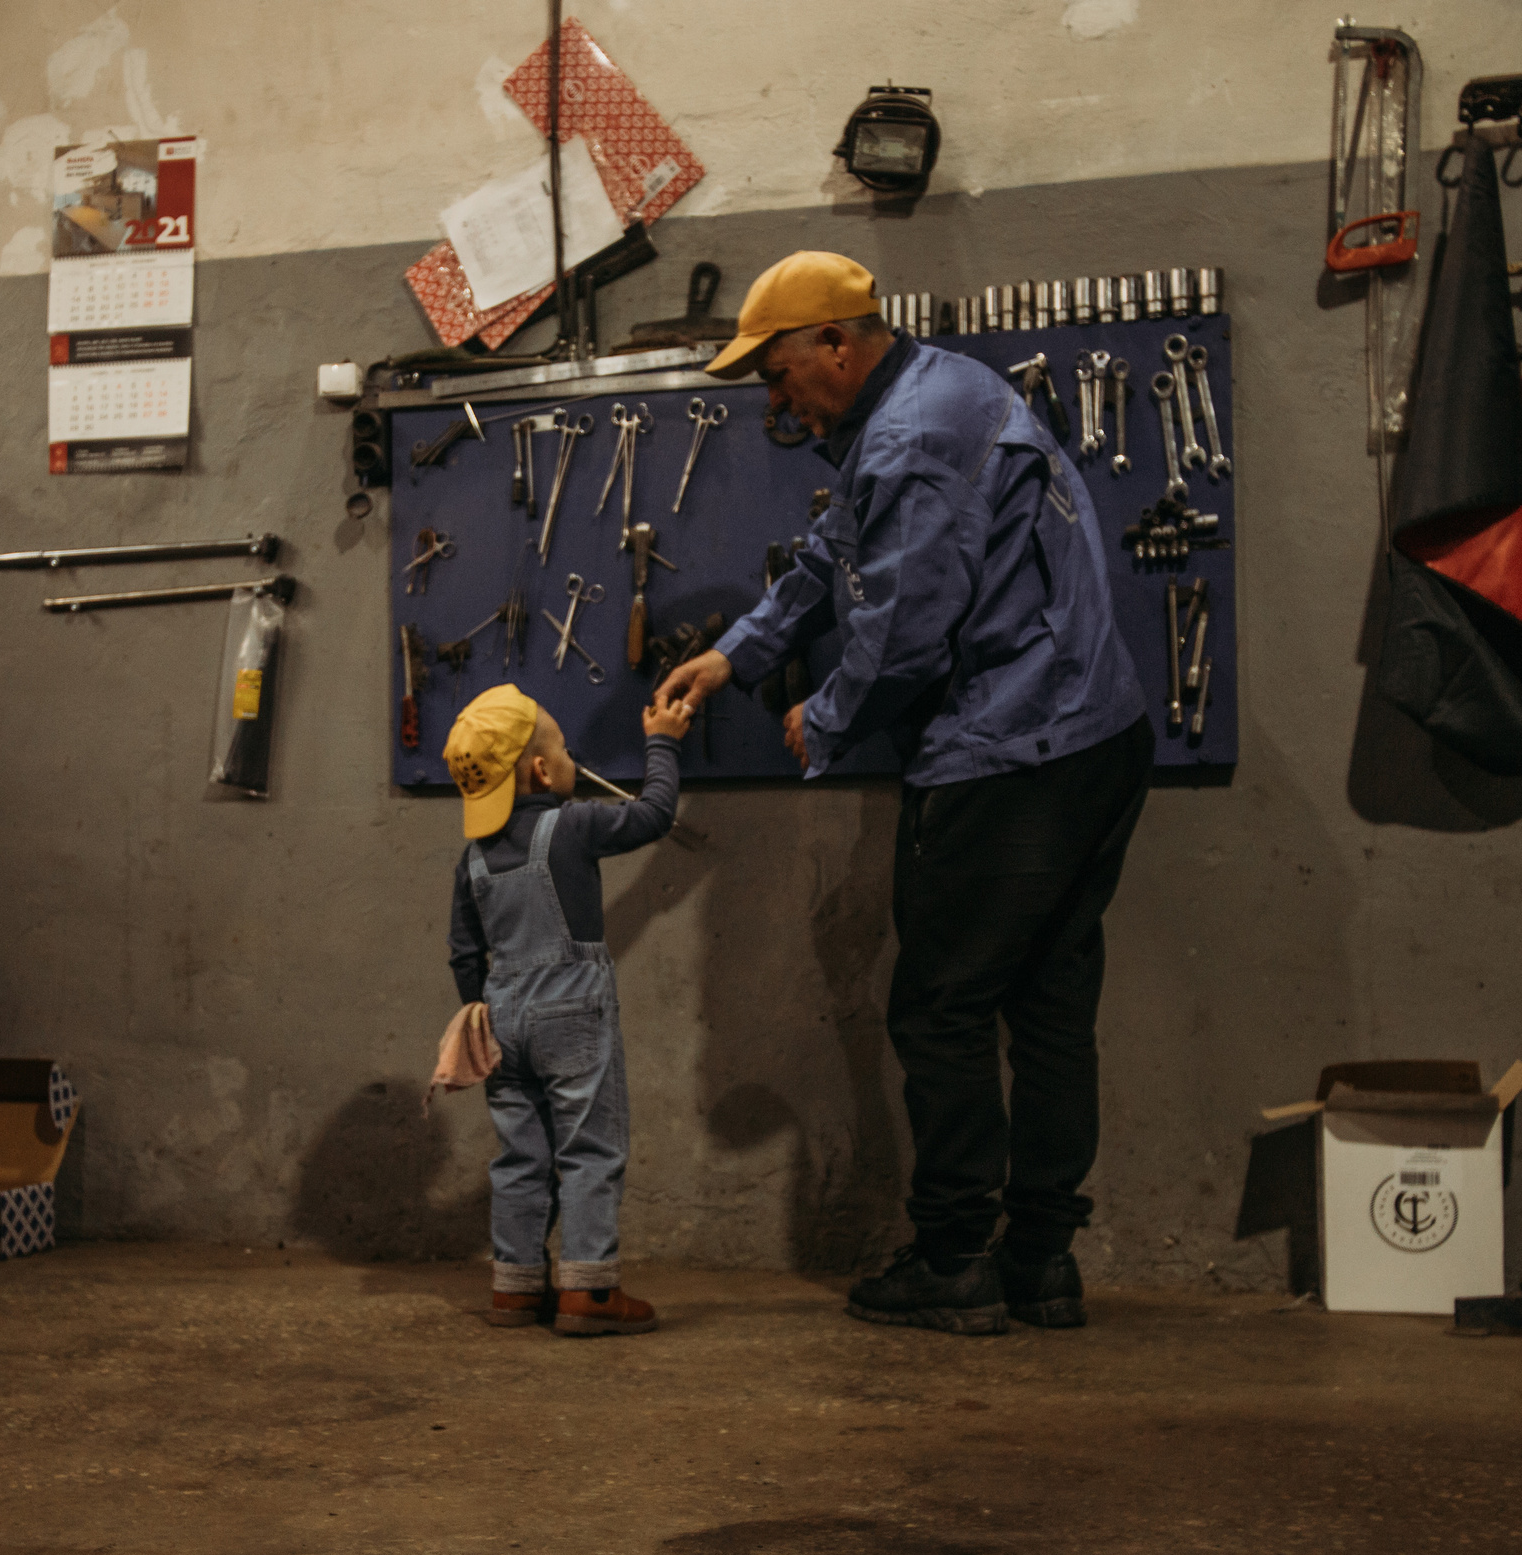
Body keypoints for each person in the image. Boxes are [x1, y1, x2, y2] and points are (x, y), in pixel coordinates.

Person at [656, 251, 1153, 1337]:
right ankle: (1039, 1265)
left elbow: (904, 633)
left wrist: (825, 715)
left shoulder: (911, 442)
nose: (775, 402)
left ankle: (951, 1261)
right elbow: (841, 549)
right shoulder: (946, 387)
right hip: (1095, 739)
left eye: (781, 376)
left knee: (941, 1012)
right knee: (1052, 1009)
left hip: (1012, 754)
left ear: (837, 343)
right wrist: (738, 655)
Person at [443, 683, 693, 1336]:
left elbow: (464, 953)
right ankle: (589, 1290)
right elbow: (656, 813)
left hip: (500, 1017)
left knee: (521, 1155)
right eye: (564, 752)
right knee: (588, 1150)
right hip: (572, 1011)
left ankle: (516, 1287)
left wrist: (479, 1008)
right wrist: (662, 740)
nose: (570, 762)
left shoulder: (472, 860)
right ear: (540, 770)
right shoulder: (574, 824)